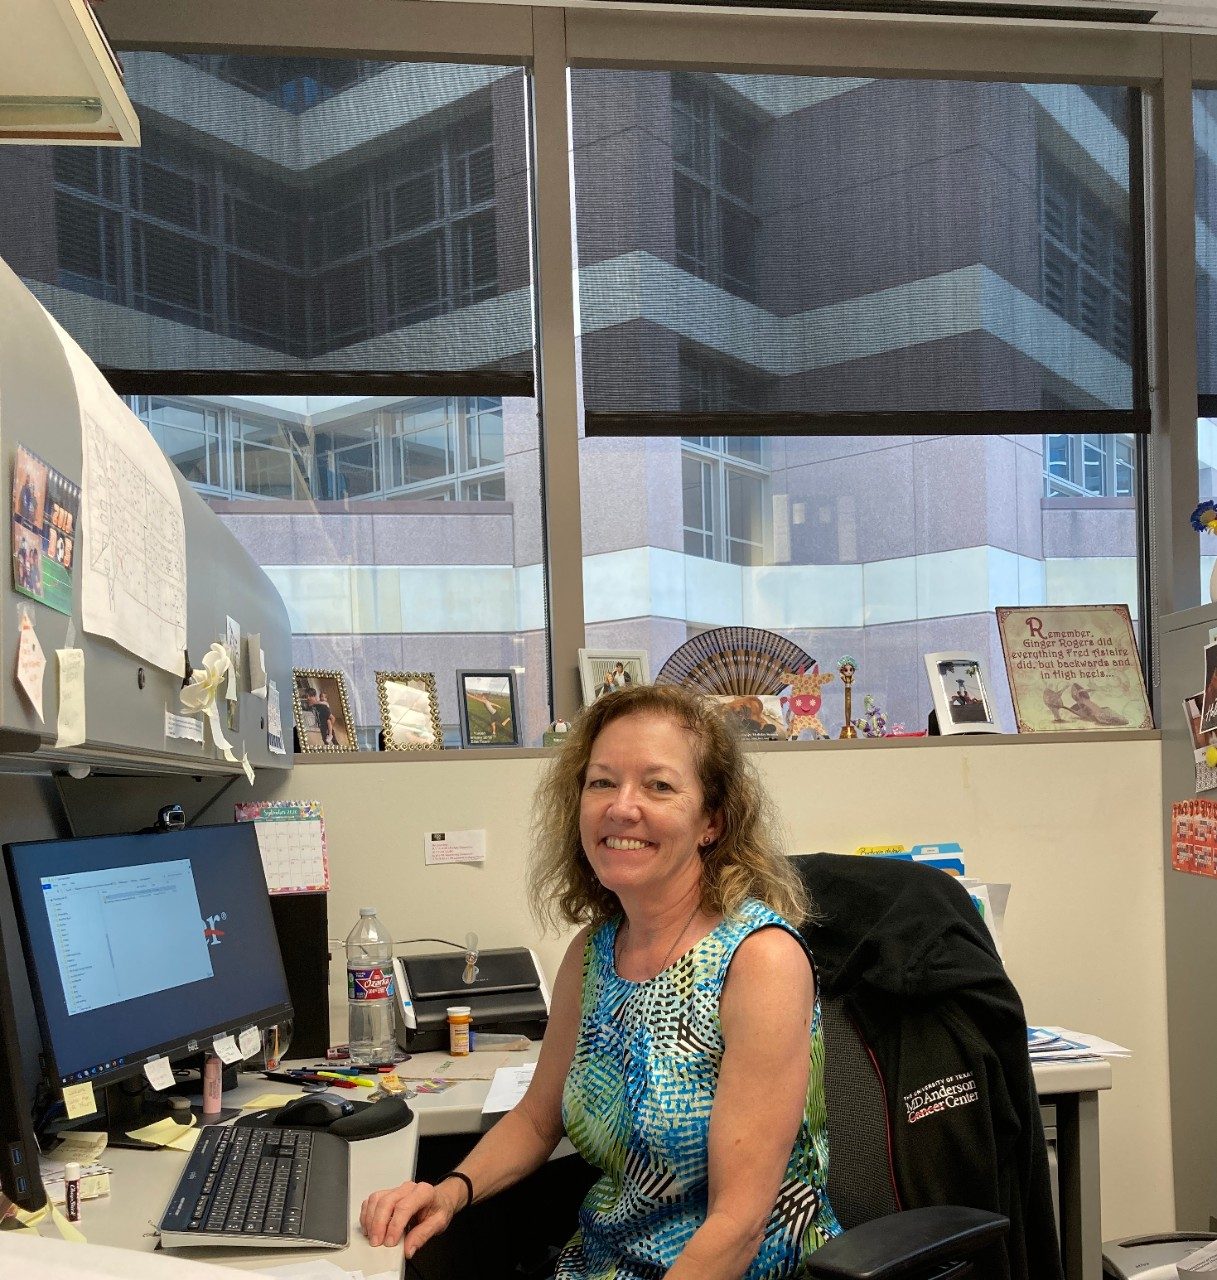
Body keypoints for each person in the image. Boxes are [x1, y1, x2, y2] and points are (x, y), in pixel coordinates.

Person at [361, 683, 841, 1278]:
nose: (621, 806)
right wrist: (449, 1191)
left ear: (711, 821)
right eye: (602, 782)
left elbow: (739, 1226)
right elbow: (539, 1120)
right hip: (602, 1262)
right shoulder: (593, 953)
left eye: (659, 785)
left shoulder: (759, 961)